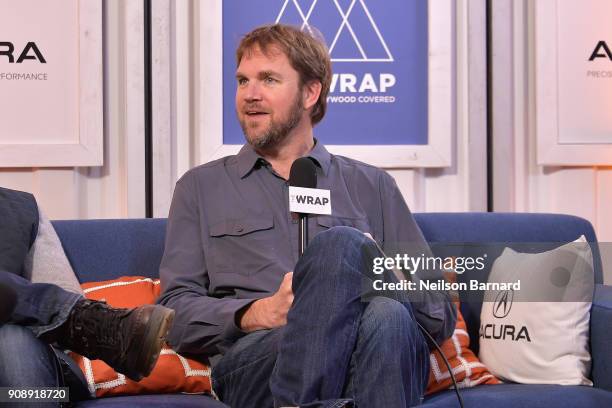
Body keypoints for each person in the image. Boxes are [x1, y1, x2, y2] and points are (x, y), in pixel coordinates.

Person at [157, 24, 456, 407]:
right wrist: (256, 313)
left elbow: (438, 314)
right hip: (258, 358)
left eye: (268, 79)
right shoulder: (200, 188)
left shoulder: (372, 186)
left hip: (373, 347)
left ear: (310, 93)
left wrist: (381, 280)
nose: (250, 94)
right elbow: (174, 313)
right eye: (242, 80)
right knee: (362, 281)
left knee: (384, 313)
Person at [0, 186, 175, 401]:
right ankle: (102, 326)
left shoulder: (18, 207)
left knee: (14, 340)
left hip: (37, 389)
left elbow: (64, 293)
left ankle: (91, 323)